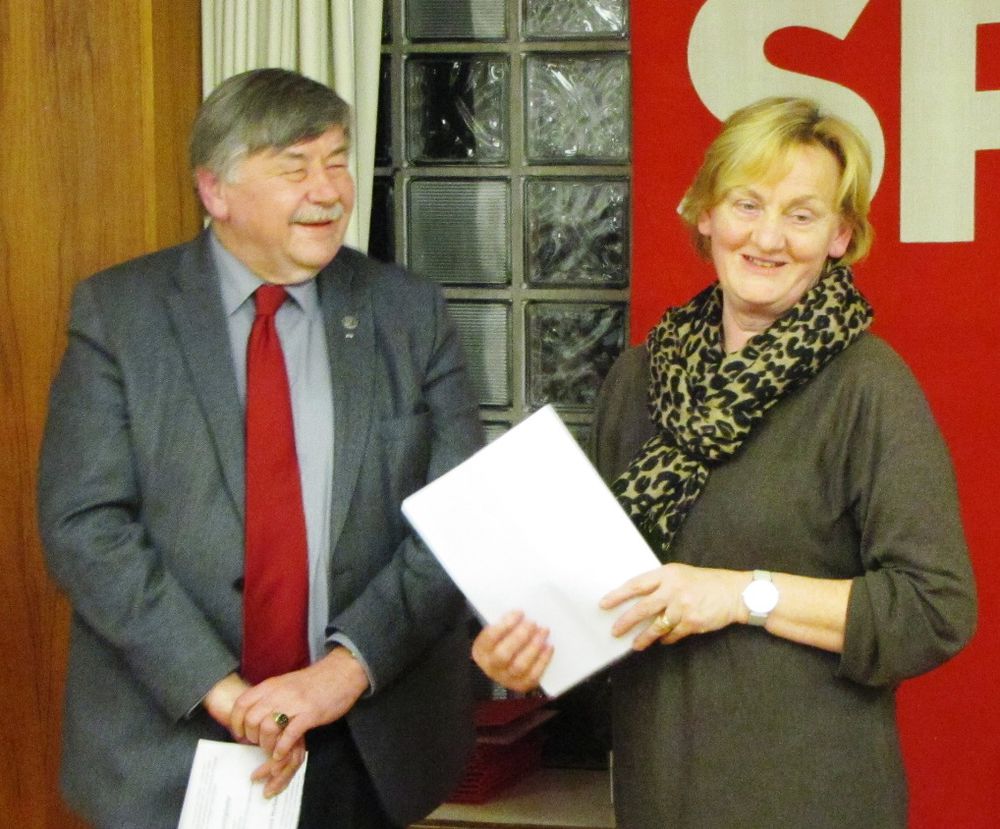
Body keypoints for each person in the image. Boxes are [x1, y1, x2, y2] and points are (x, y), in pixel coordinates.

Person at [472, 97, 977, 827]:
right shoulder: (640, 378)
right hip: (657, 794)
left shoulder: (868, 387)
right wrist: (531, 655)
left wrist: (744, 595)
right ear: (705, 213)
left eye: (801, 215)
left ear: (840, 236)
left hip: (812, 802)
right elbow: (606, 598)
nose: (768, 237)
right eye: (747, 204)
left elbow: (935, 609)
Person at [38, 67, 482, 829]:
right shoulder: (120, 315)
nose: (328, 189)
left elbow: (458, 518)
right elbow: (85, 524)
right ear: (215, 191)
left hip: (364, 747)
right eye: (294, 166)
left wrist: (341, 672)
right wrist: (222, 690)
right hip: (170, 745)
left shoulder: (408, 312)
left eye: (337, 160)